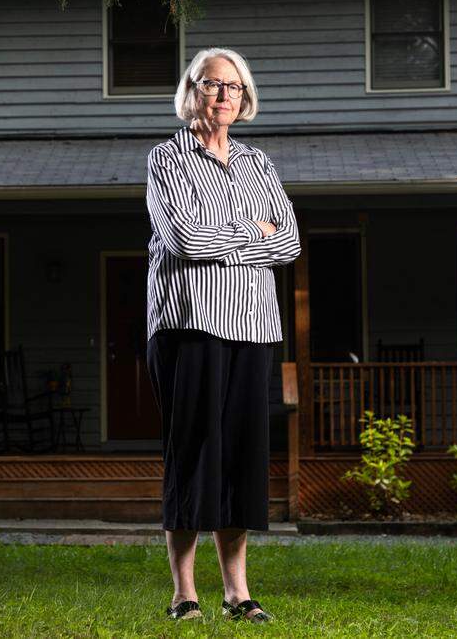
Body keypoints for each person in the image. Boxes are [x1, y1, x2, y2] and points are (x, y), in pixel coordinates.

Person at [144, 47, 301, 623]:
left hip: (254, 329)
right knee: (193, 455)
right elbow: (184, 239)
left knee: (240, 459)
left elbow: (289, 244)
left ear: (245, 97)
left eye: (233, 87)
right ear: (192, 91)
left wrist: (227, 236)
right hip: (190, 327)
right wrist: (250, 233)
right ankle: (185, 593)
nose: (223, 95)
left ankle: (238, 592)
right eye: (212, 84)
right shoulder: (168, 159)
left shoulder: (260, 165)